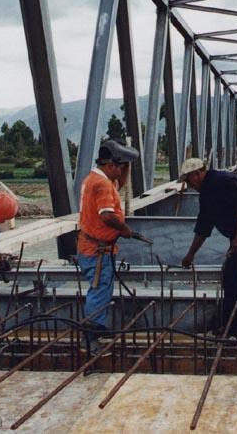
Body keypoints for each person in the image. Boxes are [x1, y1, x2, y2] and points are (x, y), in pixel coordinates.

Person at [179, 158, 237, 338]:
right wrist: (190, 255)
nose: (189, 185)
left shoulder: (223, 181)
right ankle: (231, 326)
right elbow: (203, 227)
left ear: (198, 173)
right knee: (229, 276)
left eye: (189, 180)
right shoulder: (205, 194)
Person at [76, 139, 139, 347]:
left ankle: (97, 328)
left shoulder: (94, 178)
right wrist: (124, 229)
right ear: (110, 165)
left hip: (94, 247)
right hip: (97, 251)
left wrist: (127, 164)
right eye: (120, 168)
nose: (121, 173)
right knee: (99, 290)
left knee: (101, 289)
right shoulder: (102, 184)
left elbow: (118, 186)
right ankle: (91, 338)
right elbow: (107, 216)